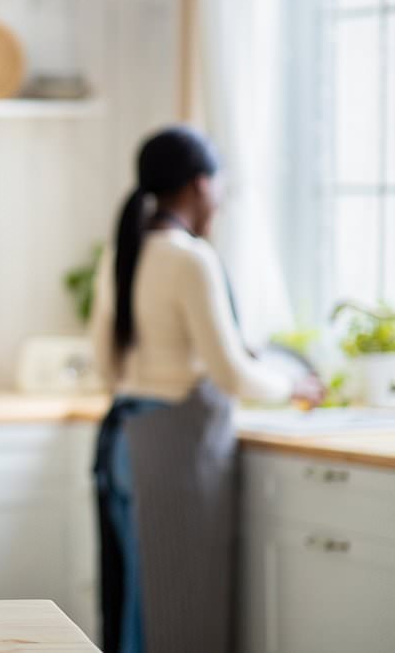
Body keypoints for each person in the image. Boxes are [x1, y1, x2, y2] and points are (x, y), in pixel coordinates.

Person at [88, 126, 324, 653]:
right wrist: (294, 384)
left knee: (134, 601)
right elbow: (231, 374)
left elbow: (105, 361)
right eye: (218, 185)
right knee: (179, 607)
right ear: (200, 186)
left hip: (125, 441)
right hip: (176, 446)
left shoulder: (124, 252)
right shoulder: (191, 258)